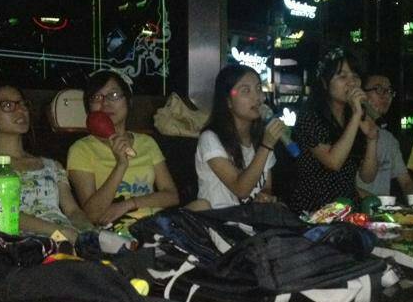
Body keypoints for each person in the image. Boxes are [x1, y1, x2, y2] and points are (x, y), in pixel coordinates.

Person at [0, 82, 92, 242]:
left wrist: (91, 233)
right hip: (21, 245)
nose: (20, 110)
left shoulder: (51, 165)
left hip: (67, 239)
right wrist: (59, 232)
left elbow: (72, 211)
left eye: (22, 104)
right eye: (7, 105)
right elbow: (3, 216)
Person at [67, 71, 179, 229]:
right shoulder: (81, 149)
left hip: (156, 224)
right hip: (116, 231)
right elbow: (91, 215)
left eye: (114, 95)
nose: (105, 103)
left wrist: (129, 204)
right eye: (97, 97)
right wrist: (121, 165)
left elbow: (172, 195)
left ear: (128, 101)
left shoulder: (147, 142)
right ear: (88, 107)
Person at [288, 47, 378, 213]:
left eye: (355, 76)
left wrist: (372, 139)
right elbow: (333, 162)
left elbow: (367, 177)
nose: (351, 83)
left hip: (347, 209)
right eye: (342, 76)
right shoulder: (309, 117)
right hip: (314, 211)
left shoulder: (353, 118)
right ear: (324, 82)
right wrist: (356, 115)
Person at [193, 64, 283, 209]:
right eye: (246, 91)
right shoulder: (210, 138)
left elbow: (266, 187)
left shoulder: (262, 137)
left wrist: (264, 196)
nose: (257, 97)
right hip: (218, 219)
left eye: (258, 88)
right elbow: (241, 189)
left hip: (250, 220)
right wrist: (266, 146)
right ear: (228, 101)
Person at [357, 74, 413, 198]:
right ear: (361, 94)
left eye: (389, 91)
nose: (385, 95)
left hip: (384, 207)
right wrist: (377, 204)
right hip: (354, 207)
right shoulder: (349, 134)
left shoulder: (389, 139)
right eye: (378, 89)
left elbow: (406, 182)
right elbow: (346, 186)